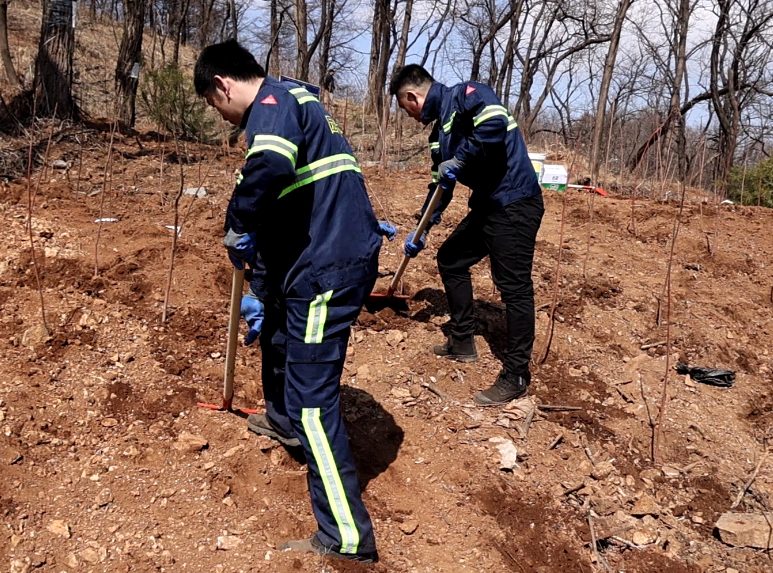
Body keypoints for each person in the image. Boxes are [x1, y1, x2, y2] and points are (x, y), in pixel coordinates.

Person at [194, 40, 395, 563]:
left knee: (313, 402)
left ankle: (346, 537)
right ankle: (282, 420)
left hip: (325, 272)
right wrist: (261, 288)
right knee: (277, 335)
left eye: (215, 106)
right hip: (314, 258)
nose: (222, 117)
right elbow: (291, 206)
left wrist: (237, 222)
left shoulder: (272, 104)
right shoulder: (299, 104)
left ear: (222, 86)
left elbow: (269, 169)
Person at [389, 64, 544, 406]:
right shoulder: (437, 136)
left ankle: (516, 374)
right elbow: (440, 186)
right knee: (450, 259)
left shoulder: (467, 95)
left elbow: (494, 124)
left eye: (404, 107)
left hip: (515, 202)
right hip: (488, 206)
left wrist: (459, 159)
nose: (409, 116)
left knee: (514, 287)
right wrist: (423, 228)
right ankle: (462, 341)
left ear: (412, 97)